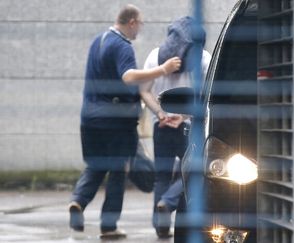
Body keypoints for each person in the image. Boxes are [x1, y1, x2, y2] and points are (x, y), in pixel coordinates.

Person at [68, 4, 181, 239]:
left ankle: (78, 202)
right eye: (140, 24)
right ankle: (109, 226)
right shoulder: (122, 46)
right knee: (118, 171)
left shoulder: (98, 41)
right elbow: (128, 77)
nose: (139, 29)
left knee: (96, 165)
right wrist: (162, 69)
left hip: (89, 119)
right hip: (115, 122)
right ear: (131, 22)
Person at [140, 16, 211, 238]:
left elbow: (144, 90)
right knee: (193, 170)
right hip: (187, 126)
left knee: (161, 176)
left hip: (161, 126)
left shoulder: (155, 55)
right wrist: (182, 115)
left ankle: (160, 225)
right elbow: (205, 94)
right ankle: (170, 201)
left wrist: (161, 113)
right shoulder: (202, 58)